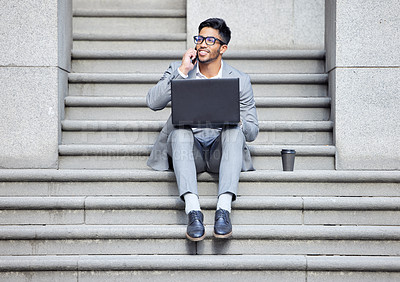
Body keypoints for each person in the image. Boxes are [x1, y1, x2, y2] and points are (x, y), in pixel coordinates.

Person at [146, 18, 258, 241]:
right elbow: (152, 102)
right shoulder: (179, 71)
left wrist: (236, 120)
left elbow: (253, 131)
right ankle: (193, 212)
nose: (202, 44)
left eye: (209, 40)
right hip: (188, 152)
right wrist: (182, 71)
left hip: (221, 153)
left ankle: (223, 210)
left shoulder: (240, 80)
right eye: (199, 39)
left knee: (234, 132)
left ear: (223, 48)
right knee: (179, 132)